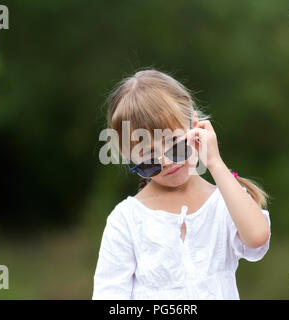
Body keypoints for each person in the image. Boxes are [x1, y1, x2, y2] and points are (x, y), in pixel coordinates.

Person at [92, 69, 271, 299]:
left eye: (175, 145)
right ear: (132, 160)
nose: (166, 162)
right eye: (149, 159)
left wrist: (214, 162)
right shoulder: (126, 220)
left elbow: (257, 237)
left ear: (194, 125)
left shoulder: (225, 201)